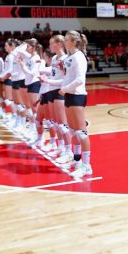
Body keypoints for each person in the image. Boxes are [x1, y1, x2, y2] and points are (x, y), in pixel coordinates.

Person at [58, 30, 92, 177]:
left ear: (74, 42)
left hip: (77, 95)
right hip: (69, 95)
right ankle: (77, 161)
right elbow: (69, 76)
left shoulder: (79, 57)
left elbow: (79, 80)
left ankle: (87, 166)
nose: (64, 42)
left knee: (81, 133)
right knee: (72, 131)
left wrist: (64, 89)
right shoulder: (69, 57)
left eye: (66, 40)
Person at [39, 34, 73, 163]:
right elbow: (53, 74)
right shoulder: (54, 58)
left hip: (59, 92)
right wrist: (43, 74)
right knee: (57, 124)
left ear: (59, 44)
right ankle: (61, 148)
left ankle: (69, 151)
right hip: (51, 90)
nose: (49, 46)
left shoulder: (65, 59)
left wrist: (48, 81)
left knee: (63, 124)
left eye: (51, 43)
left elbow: (65, 80)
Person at [17, 38, 42, 140]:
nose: (26, 48)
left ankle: (38, 134)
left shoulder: (36, 58)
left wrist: (23, 66)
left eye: (28, 46)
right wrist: (21, 64)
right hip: (29, 83)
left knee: (35, 110)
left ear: (32, 48)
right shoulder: (30, 57)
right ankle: (32, 128)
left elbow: (32, 73)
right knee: (31, 109)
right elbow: (19, 52)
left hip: (34, 83)